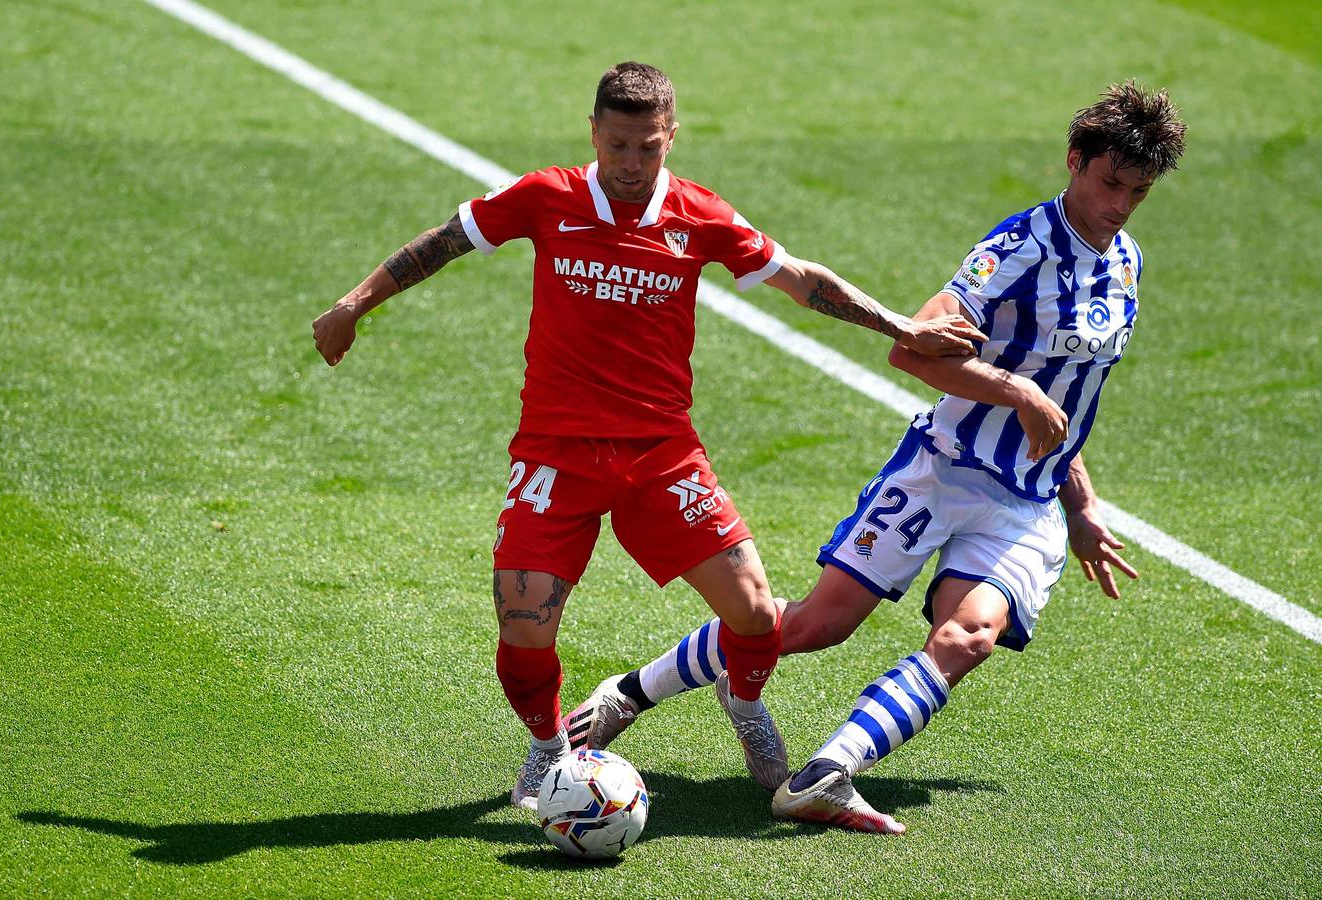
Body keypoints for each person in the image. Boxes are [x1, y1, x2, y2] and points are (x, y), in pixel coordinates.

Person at [311, 62, 983, 809]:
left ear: (671, 138)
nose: (632, 165)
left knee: (756, 616)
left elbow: (796, 278)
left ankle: (745, 700)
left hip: (661, 454)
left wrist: (901, 326)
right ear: (594, 133)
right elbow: (444, 241)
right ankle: (547, 746)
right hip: (556, 452)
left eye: (649, 148)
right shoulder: (547, 197)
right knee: (522, 618)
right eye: (619, 146)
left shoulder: (698, 215)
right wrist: (352, 304)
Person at [563, 80, 1186, 832]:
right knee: (817, 624)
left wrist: (1078, 501)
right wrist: (1014, 390)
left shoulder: (1125, 264)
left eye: (1138, 192)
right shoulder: (1017, 250)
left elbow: (1071, 395)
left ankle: (826, 773)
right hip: (942, 468)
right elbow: (913, 348)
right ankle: (629, 692)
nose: (1119, 204)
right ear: (1074, 160)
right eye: (1108, 182)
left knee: (968, 637)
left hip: (1026, 499)